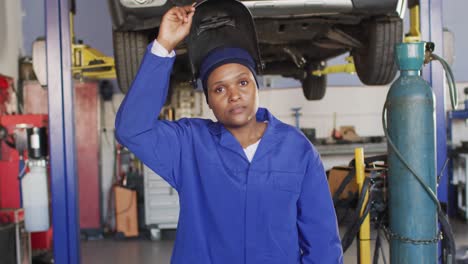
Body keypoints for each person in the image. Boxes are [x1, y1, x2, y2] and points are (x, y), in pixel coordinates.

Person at [115, 4, 343, 264]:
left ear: (257, 86)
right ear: (209, 101)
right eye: (219, 89)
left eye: (243, 83)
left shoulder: (297, 150)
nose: (234, 95)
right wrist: (163, 45)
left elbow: (322, 240)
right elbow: (131, 129)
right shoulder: (189, 145)